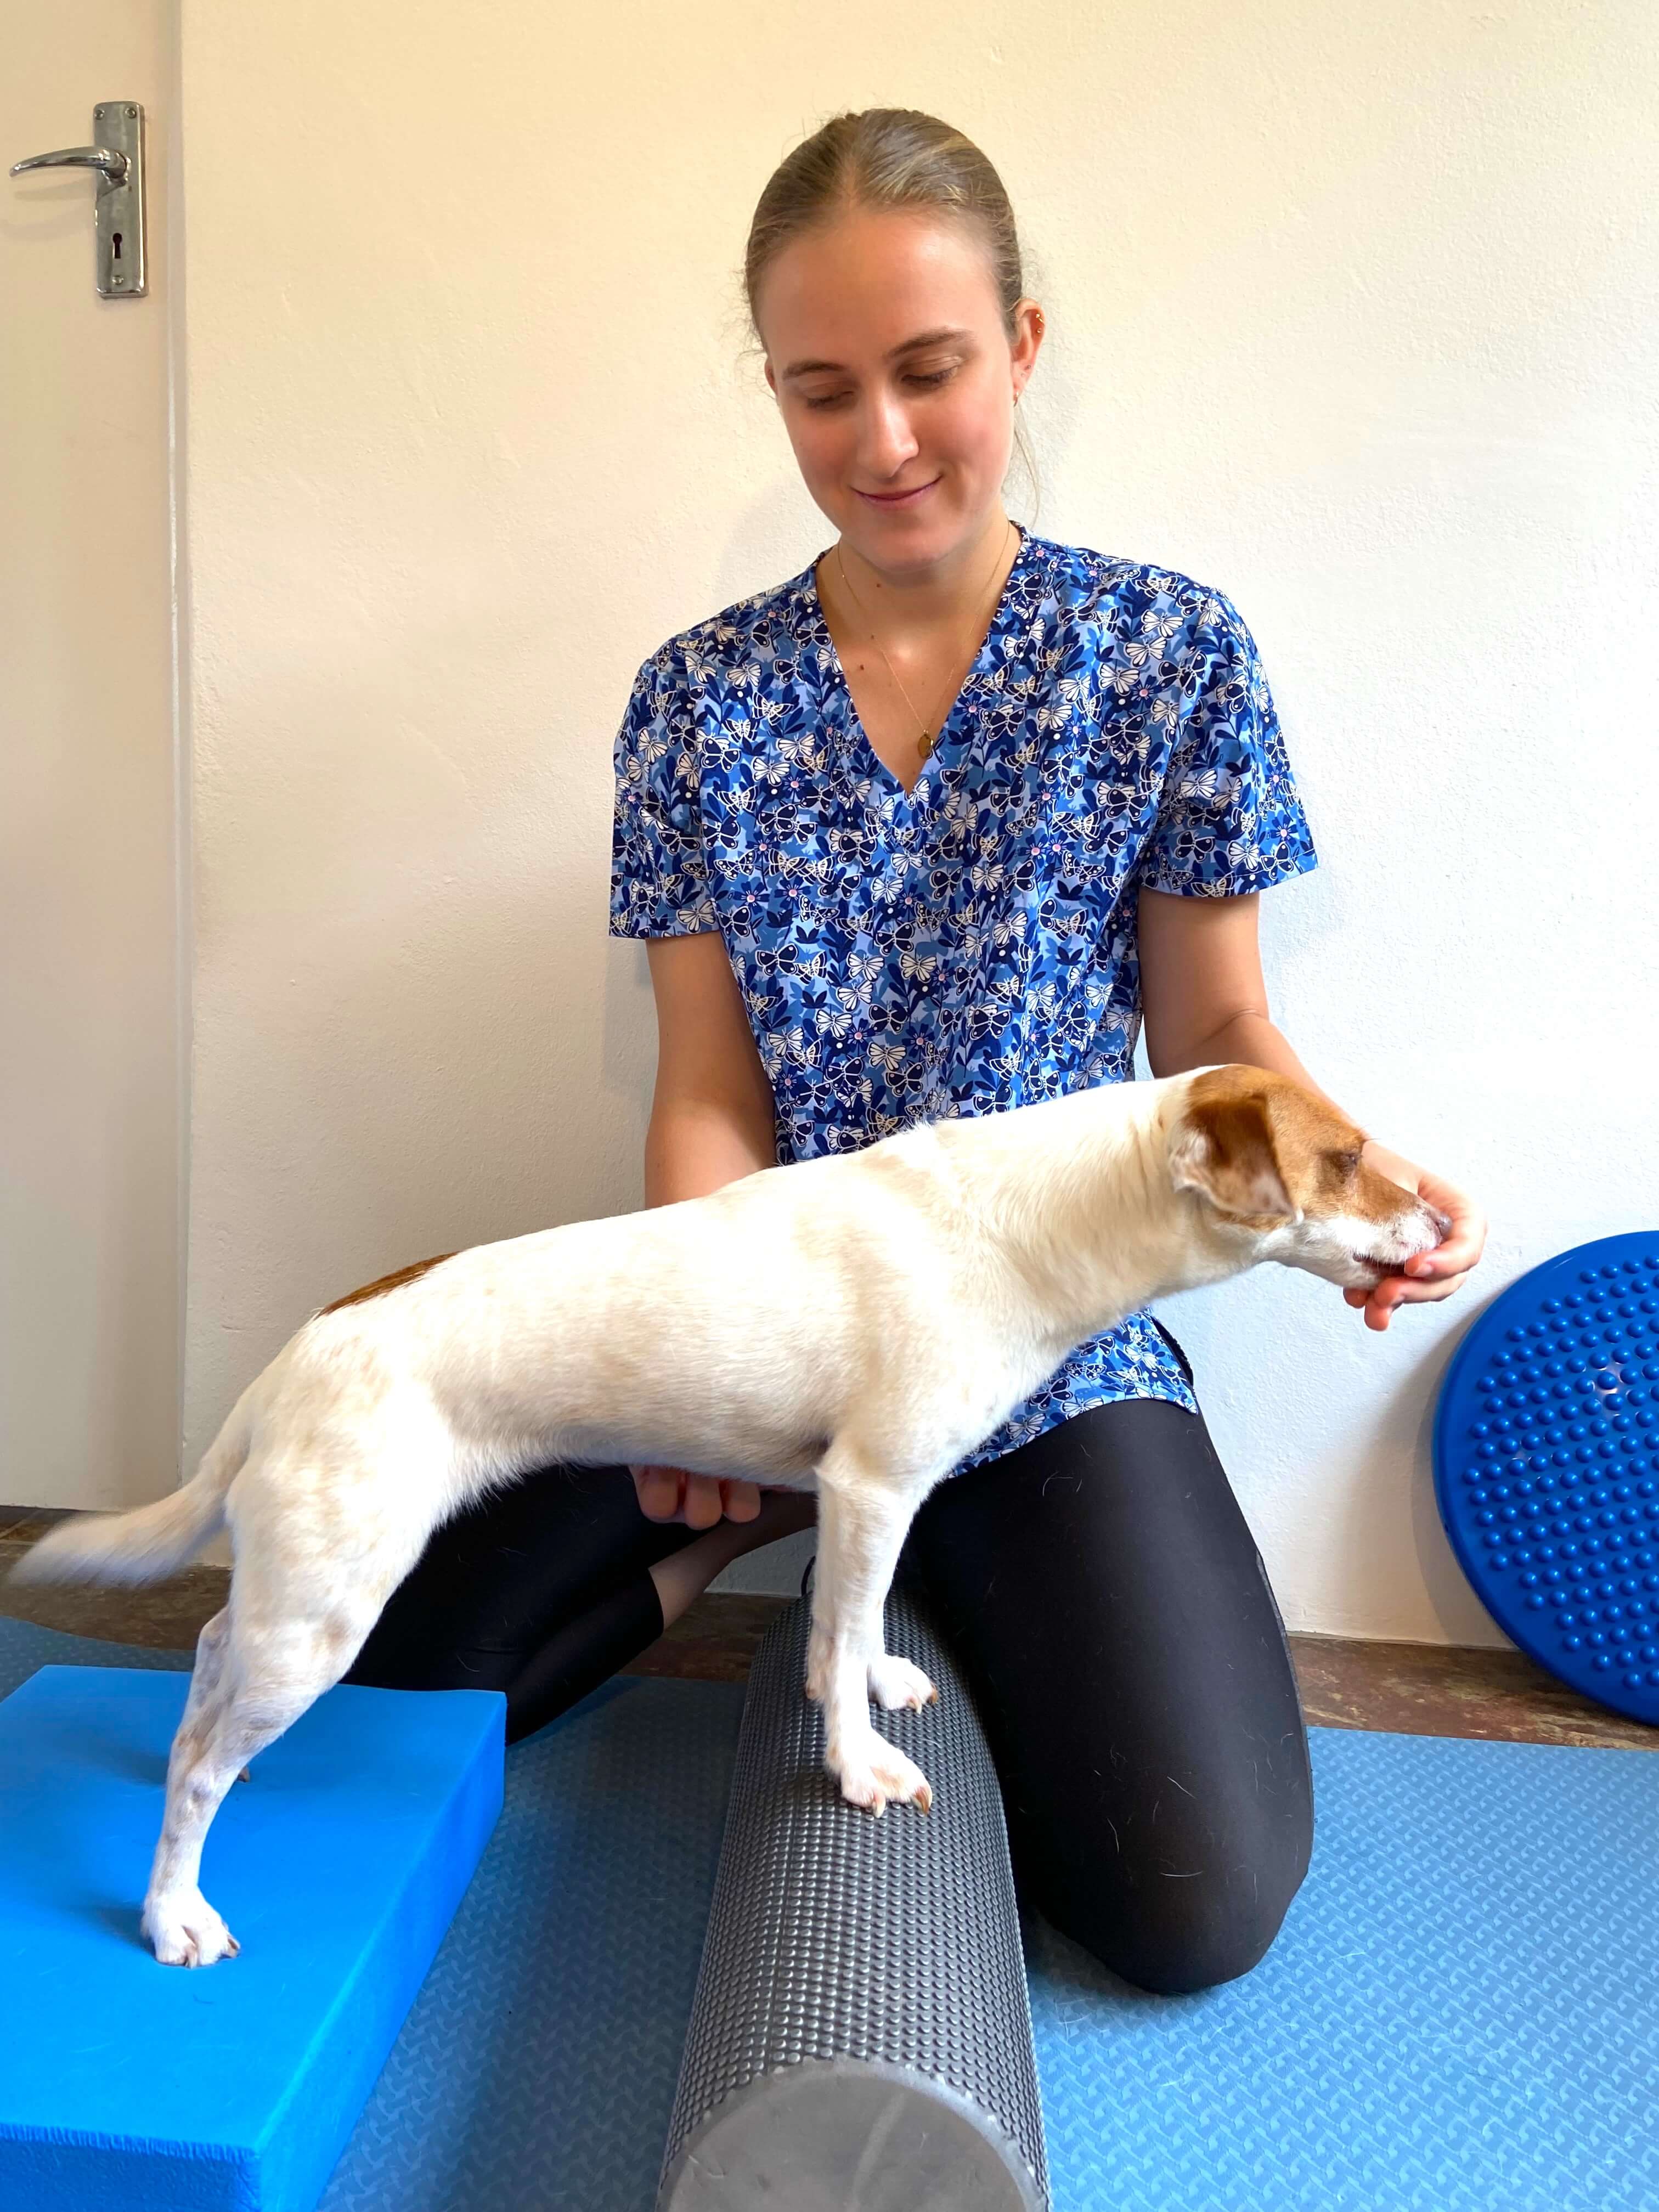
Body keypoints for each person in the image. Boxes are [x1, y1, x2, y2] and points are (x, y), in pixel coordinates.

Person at [350, 108, 1485, 1995]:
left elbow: (1217, 1033)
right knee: (391, 1677)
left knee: (1190, 1896)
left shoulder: (1169, 652)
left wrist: (1368, 1194)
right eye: (821, 392)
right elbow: (707, 1086)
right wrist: (701, 1371)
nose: (880, 441)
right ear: (777, 399)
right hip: (774, 1321)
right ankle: (780, 1524)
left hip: (1051, 1350)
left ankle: (923, 1542)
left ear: (1020, 350)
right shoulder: (696, 699)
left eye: (930, 372)